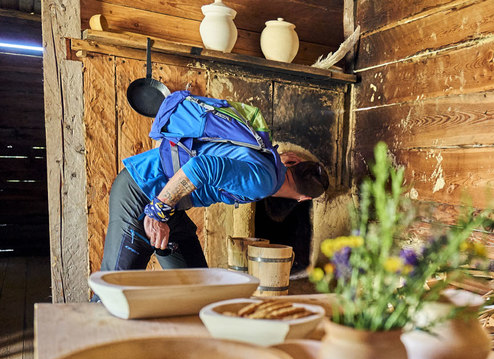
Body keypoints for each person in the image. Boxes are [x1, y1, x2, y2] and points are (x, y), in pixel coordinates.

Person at [98, 99, 329, 272]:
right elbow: (201, 167)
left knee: (197, 286)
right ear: (304, 199)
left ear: (294, 161)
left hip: (170, 206)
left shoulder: (270, 160)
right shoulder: (264, 182)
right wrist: (157, 212)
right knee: (114, 292)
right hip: (141, 192)